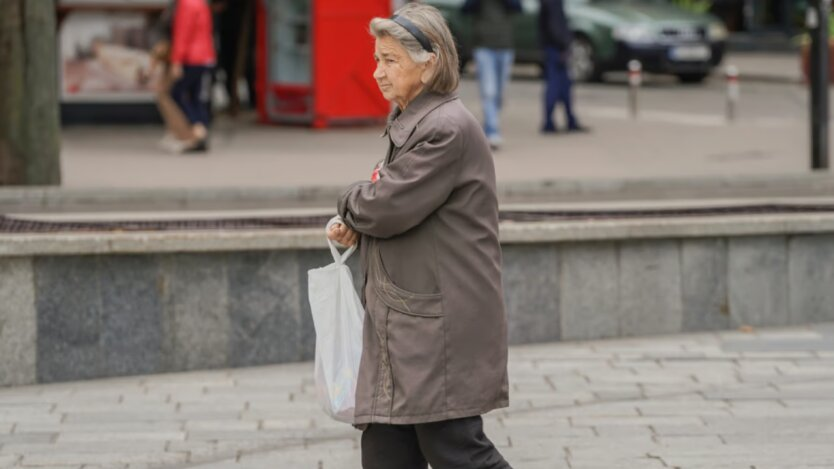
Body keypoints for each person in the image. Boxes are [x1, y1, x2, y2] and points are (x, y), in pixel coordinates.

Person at [327, 4, 511, 468]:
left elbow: (386, 206)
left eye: (390, 60)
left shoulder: (443, 129)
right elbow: (404, 213)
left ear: (429, 63)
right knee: (387, 450)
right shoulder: (418, 121)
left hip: (435, 328)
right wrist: (362, 226)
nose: (378, 73)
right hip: (408, 322)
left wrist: (353, 199)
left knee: (456, 450)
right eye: (377, 59)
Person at [462, 0, 522, 150]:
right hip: (483, 47)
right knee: (489, 91)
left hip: (505, 46)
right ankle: (492, 131)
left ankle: (490, 121)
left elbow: (518, 7)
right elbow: (465, 9)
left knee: (499, 94)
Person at [170, 0, 216, 152]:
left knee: (177, 92)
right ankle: (201, 134)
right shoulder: (201, 3)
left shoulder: (186, 4)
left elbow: (183, 33)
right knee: (196, 96)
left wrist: (177, 60)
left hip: (192, 57)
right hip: (205, 56)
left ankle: (198, 129)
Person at [539, 0, 586, 133]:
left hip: (556, 46)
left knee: (565, 86)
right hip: (555, 48)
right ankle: (549, 122)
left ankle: (570, 120)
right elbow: (554, 24)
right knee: (555, 86)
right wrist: (564, 44)